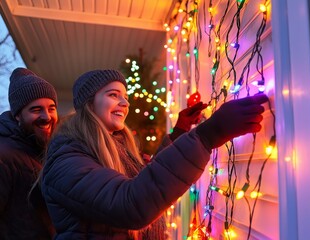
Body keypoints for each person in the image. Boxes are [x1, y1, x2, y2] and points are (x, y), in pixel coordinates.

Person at [40, 69, 268, 239]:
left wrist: (180, 132)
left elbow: (146, 178)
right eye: (113, 95)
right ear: (89, 104)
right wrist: (209, 134)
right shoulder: (66, 160)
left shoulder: (115, 146)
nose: (124, 102)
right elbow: (131, 203)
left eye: (125, 97)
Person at [0, 67, 58, 239]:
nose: (46, 116)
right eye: (36, 109)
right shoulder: (4, 155)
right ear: (18, 115)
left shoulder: (44, 149)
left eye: (51, 108)